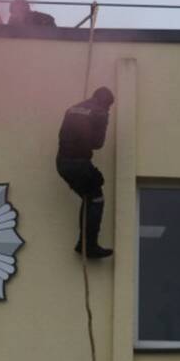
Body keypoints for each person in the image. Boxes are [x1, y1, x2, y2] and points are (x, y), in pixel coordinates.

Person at [56, 86, 115, 258]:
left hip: (63, 162)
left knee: (89, 196)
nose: (108, 110)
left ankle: (84, 243)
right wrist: (104, 122)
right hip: (78, 164)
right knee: (96, 198)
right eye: (109, 106)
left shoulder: (73, 108)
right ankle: (88, 245)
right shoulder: (99, 112)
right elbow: (97, 144)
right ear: (105, 102)